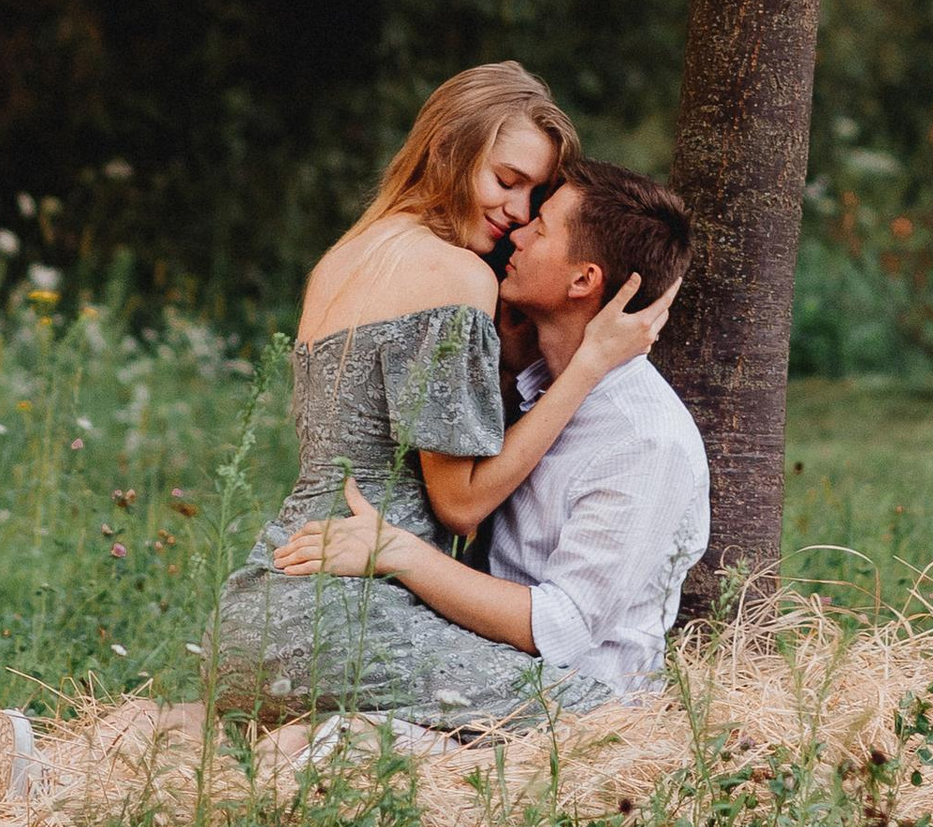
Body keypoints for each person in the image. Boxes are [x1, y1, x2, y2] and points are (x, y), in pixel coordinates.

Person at [208, 66, 677, 732]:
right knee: (605, 724)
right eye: (506, 180)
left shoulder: (344, 258)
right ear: (446, 150)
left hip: (262, 598)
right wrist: (591, 362)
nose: (517, 212)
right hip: (348, 614)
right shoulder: (455, 277)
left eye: (533, 193)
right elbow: (460, 504)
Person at [272, 158, 708, 712]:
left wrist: (400, 554)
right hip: (482, 664)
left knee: (330, 745)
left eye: (542, 227)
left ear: (583, 280)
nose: (518, 231)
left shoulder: (644, 440)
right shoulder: (533, 387)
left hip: (578, 707)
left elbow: (563, 628)